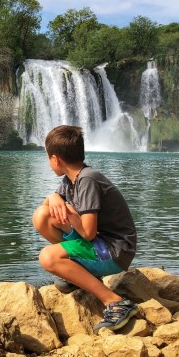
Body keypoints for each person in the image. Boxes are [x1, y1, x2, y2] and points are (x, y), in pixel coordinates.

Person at [33, 125, 139, 333]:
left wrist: (70, 211)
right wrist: (54, 197)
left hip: (115, 250)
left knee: (48, 257)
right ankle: (79, 273)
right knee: (42, 216)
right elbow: (49, 207)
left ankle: (116, 302)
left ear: (55, 159)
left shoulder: (88, 179)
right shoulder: (71, 180)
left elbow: (88, 233)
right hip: (100, 243)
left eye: (48, 158)